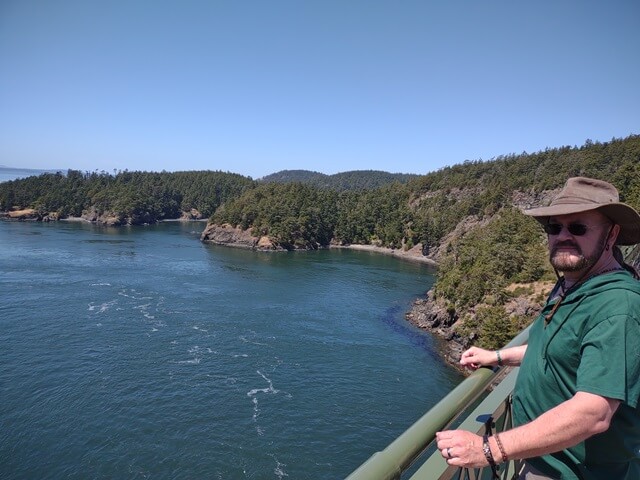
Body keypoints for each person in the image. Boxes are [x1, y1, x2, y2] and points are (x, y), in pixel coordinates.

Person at [435, 177, 640, 479]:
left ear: (612, 234)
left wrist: (488, 449)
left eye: (578, 227)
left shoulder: (616, 305)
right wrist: (498, 356)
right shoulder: (572, 285)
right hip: (544, 457)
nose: (563, 236)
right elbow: (557, 351)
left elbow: (593, 412)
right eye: (554, 227)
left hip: (575, 472)